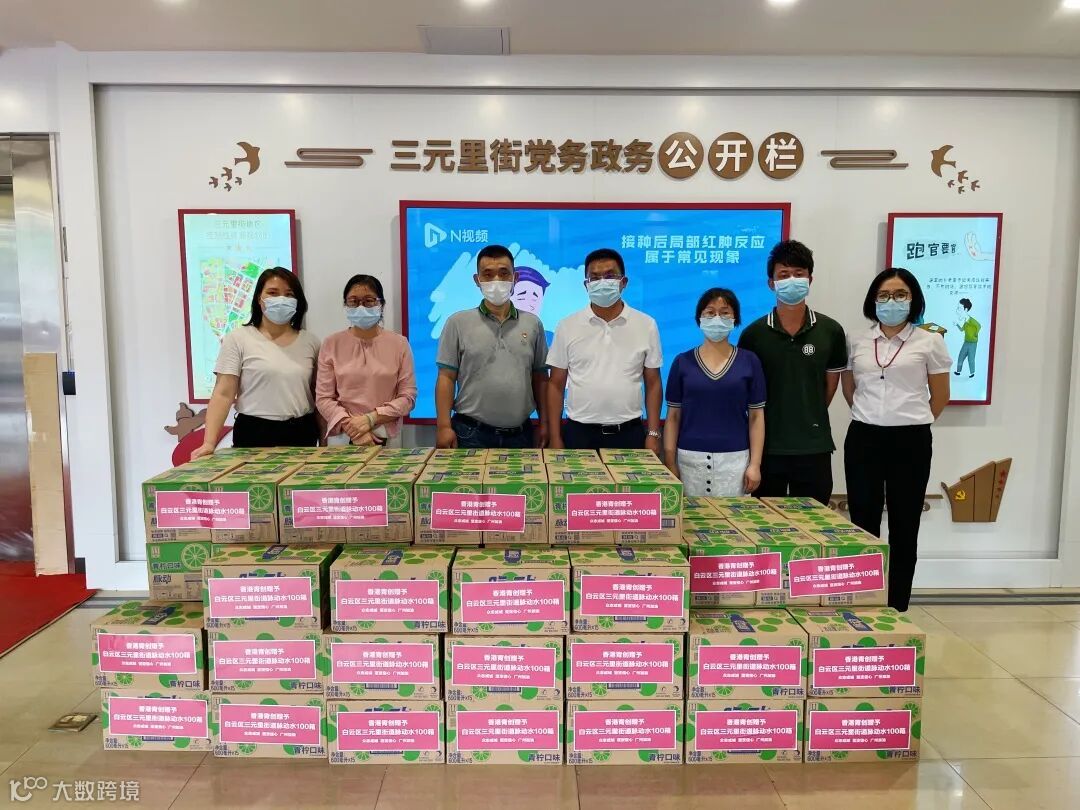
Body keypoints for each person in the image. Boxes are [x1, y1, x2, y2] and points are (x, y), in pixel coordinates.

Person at [842, 268, 951, 611]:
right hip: (864, 437)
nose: (892, 301)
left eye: (900, 294)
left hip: (911, 441)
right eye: (884, 295)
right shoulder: (857, 340)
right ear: (873, 300)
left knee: (905, 523)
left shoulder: (929, 341)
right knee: (862, 521)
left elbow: (940, 396)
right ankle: (864, 601)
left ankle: (897, 604)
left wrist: (908, 419)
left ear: (913, 299)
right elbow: (850, 388)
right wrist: (874, 415)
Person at [737, 240, 847, 504]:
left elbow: (830, 386)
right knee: (766, 521)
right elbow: (747, 393)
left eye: (799, 274)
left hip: (814, 446)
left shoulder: (831, 331)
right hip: (767, 449)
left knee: (814, 522)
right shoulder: (753, 334)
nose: (792, 280)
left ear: (810, 279)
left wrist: (807, 412)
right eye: (783, 275)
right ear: (771, 283)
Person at [192, 267, 321, 457]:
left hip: (301, 432)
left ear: (298, 301)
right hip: (254, 432)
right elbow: (223, 393)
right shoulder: (238, 338)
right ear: (259, 298)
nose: (281, 299)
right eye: (273, 293)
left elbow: (319, 394)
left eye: (289, 294)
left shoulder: (311, 342)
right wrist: (209, 443)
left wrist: (325, 440)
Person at [547, 248, 663, 453]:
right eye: (595, 277)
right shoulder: (567, 326)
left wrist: (653, 433)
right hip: (579, 433)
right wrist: (555, 437)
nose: (602, 282)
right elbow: (556, 384)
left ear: (623, 282)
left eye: (610, 276)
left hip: (629, 432)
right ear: (586, 285)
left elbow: (653, 382)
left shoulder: (646, 325)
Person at [435, 244, 549, 449]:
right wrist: (443, 426)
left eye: (504, 273)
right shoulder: (457, 322)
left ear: (515, 278)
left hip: (521, 434)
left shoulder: (533, 324)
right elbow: (446, 377)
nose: (496, 280)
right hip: (470, 433)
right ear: (477, 280)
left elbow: (540, 378)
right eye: (488, 274)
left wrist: (545, 423)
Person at [664, 288, 766, 497]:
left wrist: (755, 464)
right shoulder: (682, 362)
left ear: (735, 318)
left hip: (736, 461)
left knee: (734, 517)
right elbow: (673, 417)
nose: (717, 318)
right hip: (689, 460)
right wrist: (670, 461)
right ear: (699, 318)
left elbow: (756, 416)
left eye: (725, 312)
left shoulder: (750, 361)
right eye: (710, 312)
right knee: (691, 516)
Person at [315, 274, 417, 448]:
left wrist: (371, 419)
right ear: (345, 305)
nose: (361, 307)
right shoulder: (331, 344)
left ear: (381, 304)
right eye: (353, 301)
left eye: (369, 301)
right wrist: (353, 428)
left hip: (385, 434)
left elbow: (408, 397)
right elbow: (324, 398)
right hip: (343, 434)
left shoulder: (399, 344)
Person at [954, 297, 980, 379]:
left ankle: (972, 373)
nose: (957, 311)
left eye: (959, 309)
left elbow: (979, 326)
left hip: (973, 343)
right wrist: (957, 324)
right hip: (966, 342)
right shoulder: (966, 321)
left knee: (971, 359)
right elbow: (962, 329)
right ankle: (958, 371)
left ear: (965, 310)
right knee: (961, 356)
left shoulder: (972, 320)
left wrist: (975, 335)